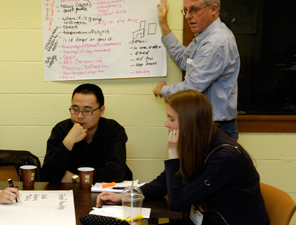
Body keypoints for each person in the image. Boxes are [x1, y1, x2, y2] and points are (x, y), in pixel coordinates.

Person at [96, 90, 269, 224]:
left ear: (189, 122)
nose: (166, 124)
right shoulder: (199, 138)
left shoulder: (225, 156)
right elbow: (164, 182)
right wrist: (126, 195)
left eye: (171, 119)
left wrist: (173, 153)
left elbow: (177, 201)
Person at [153, 0, 240, 140]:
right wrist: (164, 25)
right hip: (206, 125)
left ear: (213, 9)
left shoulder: (216, 42)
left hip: (216, 128)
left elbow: (193, 88)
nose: (187, 16)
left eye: (194, 9)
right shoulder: (204, 38)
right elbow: (182, 60)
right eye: (186, 10)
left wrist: (163, 90)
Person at [42, 83, 131, 183]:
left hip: (107, 193)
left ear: (101, 111)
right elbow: (47, 175)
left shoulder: (113, 130)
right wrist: (68, 142)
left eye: (87, 111)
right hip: (70, 194)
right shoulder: (61, 129)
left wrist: (76, 179)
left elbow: (116, 173)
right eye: (75, 109)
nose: (79, 116)